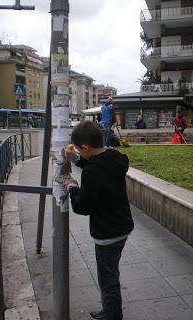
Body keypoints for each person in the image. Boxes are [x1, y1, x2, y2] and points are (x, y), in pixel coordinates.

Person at [64, 121, 134, 320]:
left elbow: (82, 207)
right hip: (123, 226)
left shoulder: (92, 172)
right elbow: (99, 167)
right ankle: (108, 309)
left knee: (108, 280)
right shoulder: (115, 157)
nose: (78, 151)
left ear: (85, 147)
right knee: (110, 274)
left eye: (79, 150)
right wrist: (78, 159)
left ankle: (113, 315)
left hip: (107, 234)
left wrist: (72, 187)